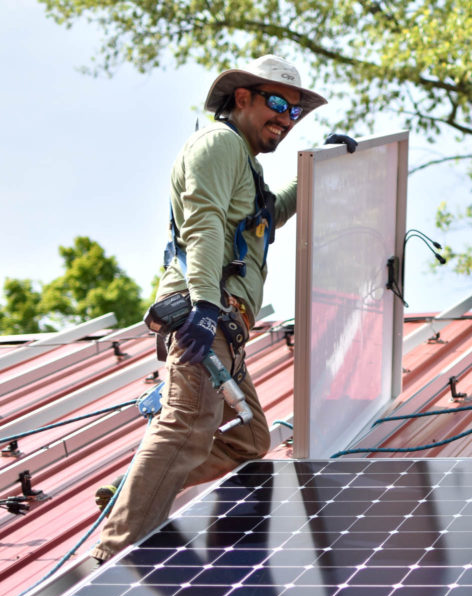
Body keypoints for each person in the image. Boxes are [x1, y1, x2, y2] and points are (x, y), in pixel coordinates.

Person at [91, 55, 355, 563]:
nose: (286, 118)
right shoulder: (218, 143)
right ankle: (116, 552)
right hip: (203, 312)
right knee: (187, 425)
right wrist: (206, 305)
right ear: (242, 98)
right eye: (277, 104)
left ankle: (138, 493)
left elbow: (265, 217)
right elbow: (205, 222)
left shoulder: (246, 165)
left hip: (225, 324)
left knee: (249, 437)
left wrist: (317, 164)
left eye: (296, 112)